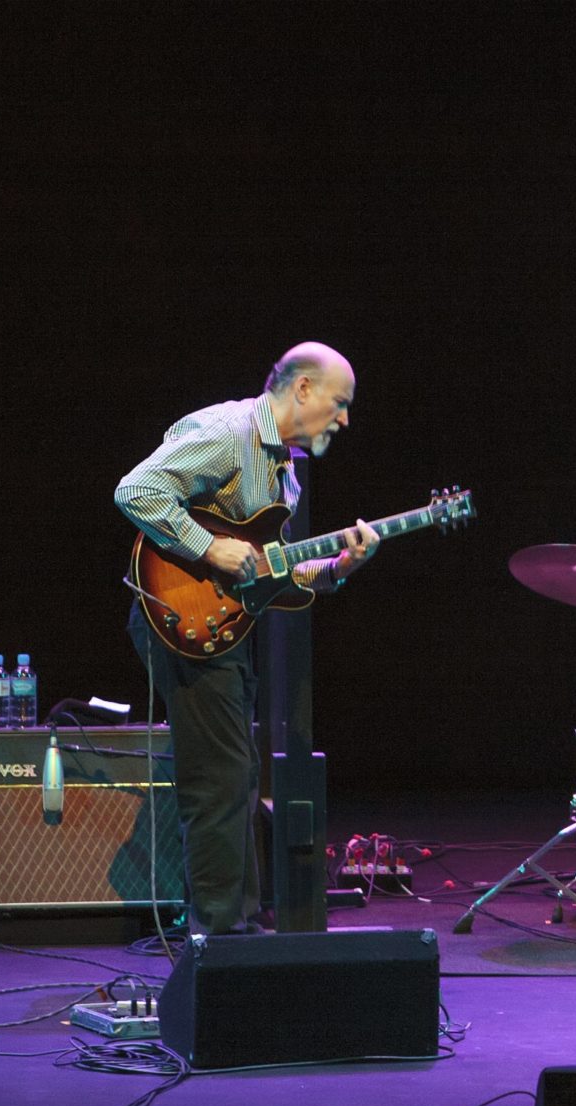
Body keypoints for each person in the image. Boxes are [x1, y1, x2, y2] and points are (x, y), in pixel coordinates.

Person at [115, 343, 379, 935]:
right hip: (178, 615)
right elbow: (135, 490)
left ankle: (238, 925)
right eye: (340, 403)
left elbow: (276, 574)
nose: (344, 419)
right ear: (303, 389)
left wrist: (340, 566)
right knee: (220, 781)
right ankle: (219, 936)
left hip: (226, 628)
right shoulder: (230, 431)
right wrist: (210, 548)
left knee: (237, 778)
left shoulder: (285, 475)